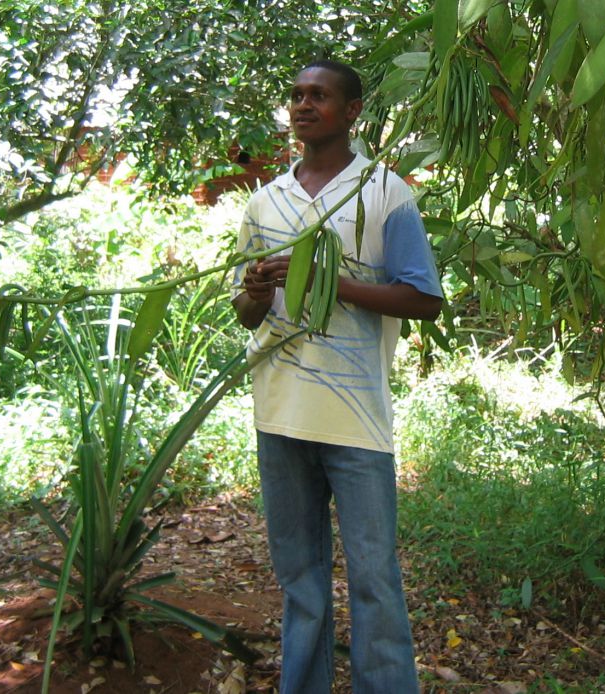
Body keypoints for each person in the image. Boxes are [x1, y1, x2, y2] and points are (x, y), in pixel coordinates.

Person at [231, 59, 443, 694]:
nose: (302, 106)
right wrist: (254, 289)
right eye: (295, 95)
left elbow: (424, 298)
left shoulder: (383, 192)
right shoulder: (263, 203)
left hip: (356, 423)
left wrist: (330, 280)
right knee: (301, 580)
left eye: (318, 96)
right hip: (279, 414)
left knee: (374, 578)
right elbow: (247, 317)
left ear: (352, 111)